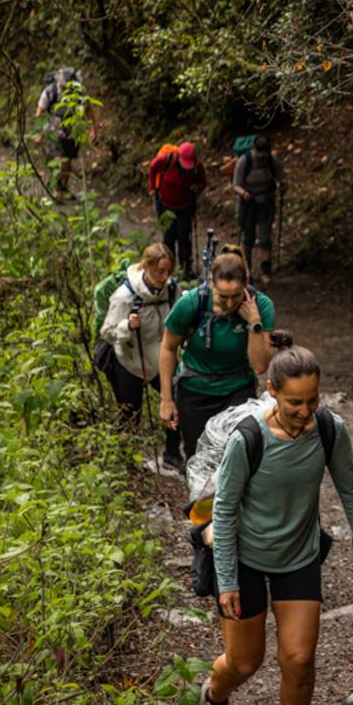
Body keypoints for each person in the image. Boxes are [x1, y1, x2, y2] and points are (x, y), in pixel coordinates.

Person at [201, 335, 353, 705]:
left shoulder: (328, 428)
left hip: (299, 555)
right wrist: (228, 580)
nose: (305, 412)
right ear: (273, 393)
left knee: (299, 659)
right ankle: (214, 698)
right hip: (245, 558)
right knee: (244, 663)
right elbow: (225, 510)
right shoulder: (246, 440)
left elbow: (351, 487)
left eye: (312, 401)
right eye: (294, 404)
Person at [159, 246, 276, 463]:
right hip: (195, 390)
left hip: (238, 389)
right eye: (223, 297)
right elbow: (167, 348)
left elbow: (260, 366)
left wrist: (254, 323)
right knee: (199, 459)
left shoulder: (261, 306)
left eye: (236, 296)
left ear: (246, 281)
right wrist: (166, 400)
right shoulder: (192, 304)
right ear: (211, 281)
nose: (231, 303)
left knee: (239, 456)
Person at [100, 243, 182, 467]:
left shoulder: (172, 289)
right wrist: (127, 326)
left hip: (162, 362)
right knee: (130, 414)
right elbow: (107, 332)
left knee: (175, 401)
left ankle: (173, 453)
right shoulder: (124, 296)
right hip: (129, 363)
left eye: (168, 271)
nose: (164, 277)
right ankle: (126, 462)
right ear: (145, 267)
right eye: (159, 271)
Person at [149, 142, 208, 280]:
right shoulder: (167, 160)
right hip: (166, 206)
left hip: (185, 208)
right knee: (168, 239)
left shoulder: (196, 167)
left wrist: (197, 187)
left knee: (184, 239)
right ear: (179, 156)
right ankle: (169, 270)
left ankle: (186, 270)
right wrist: (152, 187)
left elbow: (202, 182)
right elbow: (152, 167)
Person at [231, 134, 284, 285]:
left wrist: (282, 185)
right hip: (248, 204)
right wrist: (243, 193)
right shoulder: (244, 161)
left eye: (264, 152)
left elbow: (281, 176)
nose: (261, 155)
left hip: (266, 203)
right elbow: (235, 184)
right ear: (253, 149)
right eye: (259, 152)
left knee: (265, 237)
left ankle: (265, 271)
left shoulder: (271, 161)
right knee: (248, 238)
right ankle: (246, 271)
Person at [34, 67, 95, 188]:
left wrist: (93, 129)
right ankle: (55, 183)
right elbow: (39, 111)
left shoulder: (79, 92)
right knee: (57, 156)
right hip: (53, 126)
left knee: (68, 158)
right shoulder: (50, 91)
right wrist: (39, 133)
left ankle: (63, 186)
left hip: (72, 127)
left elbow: (88, 110)